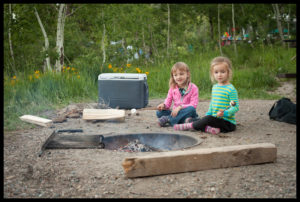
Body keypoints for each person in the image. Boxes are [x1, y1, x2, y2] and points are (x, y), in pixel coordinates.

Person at [173, 56, 239, 135]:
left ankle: (190, 125)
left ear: (228, 72)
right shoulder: (215, 87)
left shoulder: (231, 89)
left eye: (223, 72)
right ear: (212, 73)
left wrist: (225, 113)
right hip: (215, 119)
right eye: (216, 72)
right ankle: (209, 129)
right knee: (204, 119)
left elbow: (235, 107)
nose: (219, 75)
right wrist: (208, 114)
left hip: (227, 123)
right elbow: (213, 103)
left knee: (208, 119)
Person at [156, 62, 199, 127]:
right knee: (159, 112)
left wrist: (180, 107)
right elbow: (168, 102)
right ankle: (185, 121)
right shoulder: (172, 88)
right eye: (175, 75)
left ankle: (169, 119)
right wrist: (163, 105)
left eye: (181, 74)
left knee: (191, 109)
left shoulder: (193, 88)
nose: (178, 77)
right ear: (173, 77)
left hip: (187, 112)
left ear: (188, 74)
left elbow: (193, 105)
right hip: (174, 113)